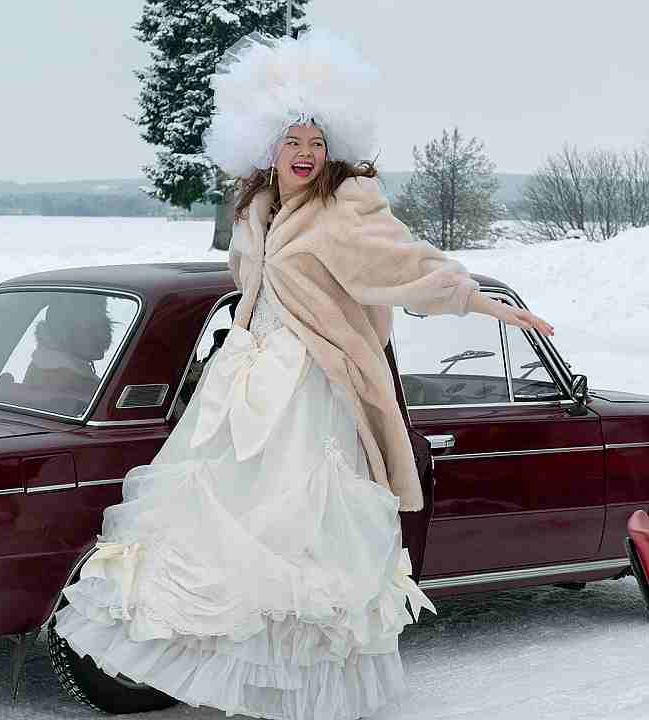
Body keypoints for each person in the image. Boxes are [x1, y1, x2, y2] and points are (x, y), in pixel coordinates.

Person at [54, 30, 553, 720]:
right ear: (267, 147)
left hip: (311, 389)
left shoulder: (344, 206)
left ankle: (303, 690)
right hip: (243, 383)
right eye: (292, 140)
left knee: (304, 533)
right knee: (217, 534)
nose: (306, 152)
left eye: (317, 142)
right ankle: (238, 676)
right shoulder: (255, 209)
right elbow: (250, 290)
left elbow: (403, 263)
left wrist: (475, 298)